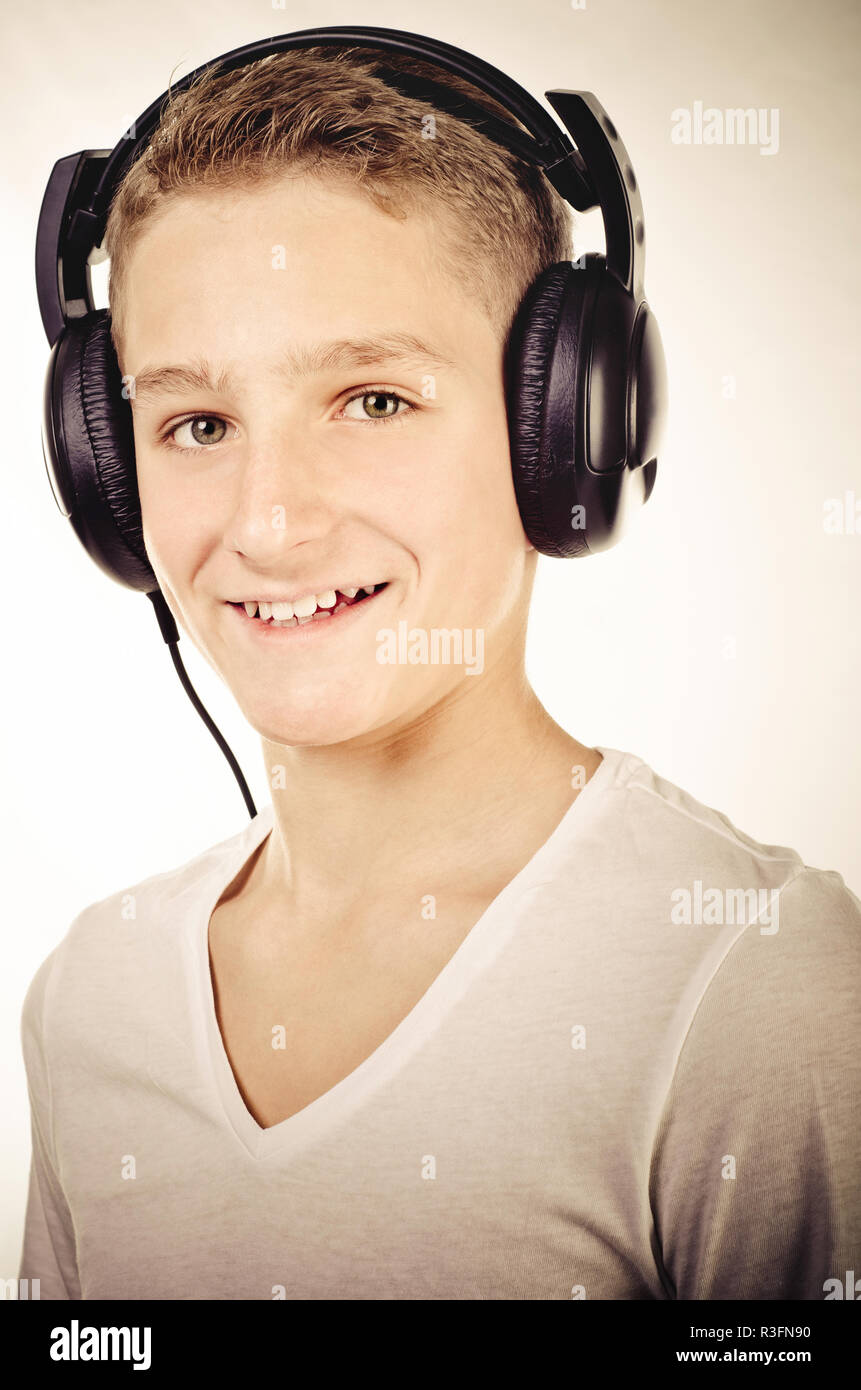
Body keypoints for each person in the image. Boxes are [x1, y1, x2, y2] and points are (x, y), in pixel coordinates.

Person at [19, 40, 861, 1301]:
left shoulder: (754, 984)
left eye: (372, 400)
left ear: (570, 428)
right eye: (196, 424)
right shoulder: (91, 995)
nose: (269, 524)